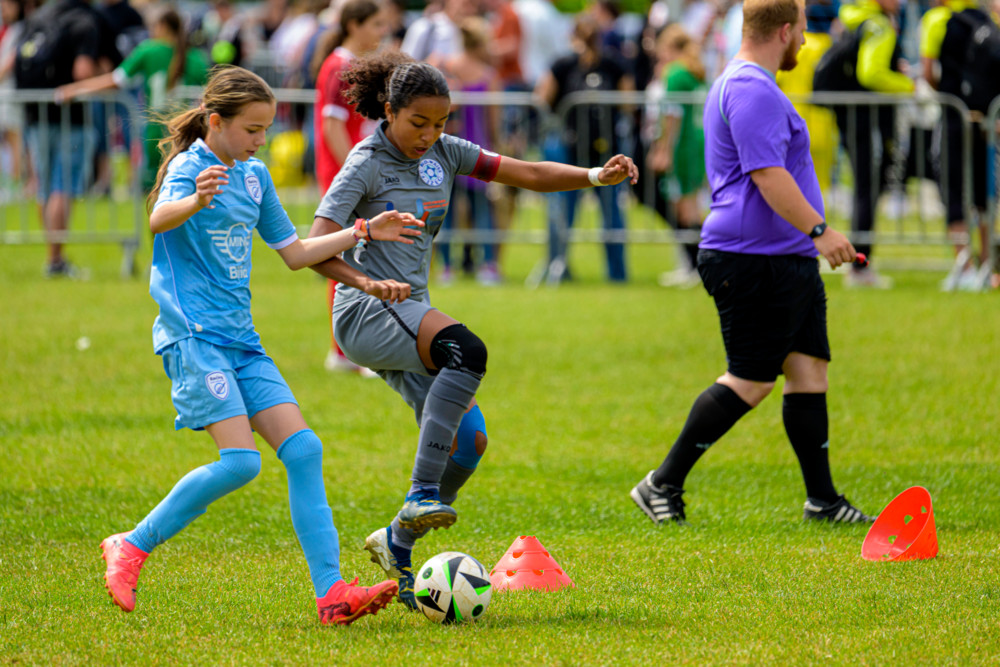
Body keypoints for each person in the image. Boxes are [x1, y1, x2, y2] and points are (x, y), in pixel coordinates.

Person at [306, 51, 637, 609]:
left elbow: (525, 173)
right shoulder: (364, 162)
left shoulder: (444, 153)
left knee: (469, 441)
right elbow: (313, 246)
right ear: (388, 111)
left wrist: (592, 176)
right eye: (419, 123)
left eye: (441, 123)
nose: (430, 134)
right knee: (468, 349)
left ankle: (398, 542)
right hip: (365, 312)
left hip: (411, 311)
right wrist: (364, 278)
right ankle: (419, 495)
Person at [99, 66, 424, 625]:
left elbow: (297, 252)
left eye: (266, 130)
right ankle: (130, 545)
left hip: (242, 341)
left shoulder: (253, 176)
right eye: (251, 129)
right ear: (216, 122)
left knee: (304, 450)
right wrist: (195, 202)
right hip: (194, 337)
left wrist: (364, 232)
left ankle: (332, 596)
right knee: (241, 463)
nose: (260, 140)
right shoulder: (190, 167)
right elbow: (157, 220)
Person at [630, 0, 874, 527]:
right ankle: (661, 483)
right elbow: (767, 175)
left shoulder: (752, 83)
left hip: (783, 258)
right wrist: (821, 230)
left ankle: (823, 501)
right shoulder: (750, 88)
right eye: (804, 32)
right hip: (751, 257)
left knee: (808, 371)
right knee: (753, 379)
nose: (806, 43)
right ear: (784, 30)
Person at [311, 0, 389, 374]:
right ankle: (350, 351)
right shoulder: (339, 67)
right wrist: (356, 175)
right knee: (353, 258)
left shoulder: (347, 65)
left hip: (350, 176)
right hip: (344, 177)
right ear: (354, 25)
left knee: (355, 256)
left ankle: (345, 352)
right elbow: (331, 127)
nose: (381, 32)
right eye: (375, 24)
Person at [56, 7, 211, 193]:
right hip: (189, 132)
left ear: (161, 26)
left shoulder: (148, 50)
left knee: (158, 193)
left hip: (157, 131)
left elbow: (116, 80)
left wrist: (75, 89)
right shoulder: (196, 57)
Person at [535, 14, 634, 283]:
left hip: (607, 153)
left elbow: (627, 101)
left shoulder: (613, 65)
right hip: (571, 152)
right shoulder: (564, 65)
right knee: (564, 213)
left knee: (612, 215)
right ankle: (558, 267)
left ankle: (617, 274)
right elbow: (542, 98)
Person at [16, 0, 101, 278]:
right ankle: (56, 260)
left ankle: (52, 256)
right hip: (70, 116)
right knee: (62, 186)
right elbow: (83, 72)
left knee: (44, 186)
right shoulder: (84, 21)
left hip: (34, 113)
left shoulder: (40, 15)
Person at [834, 0, 913, 288]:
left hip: (852, 120)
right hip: (867, 121)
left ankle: (858, 265)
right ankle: (860, 267)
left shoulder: (853, 18)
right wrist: (908, 86)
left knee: (862, 191)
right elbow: (870, 73)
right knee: (867, 191)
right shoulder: (878, 24)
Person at [919, 0, 994, 291]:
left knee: (952, 188)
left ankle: (964, 267)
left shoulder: (936, 19)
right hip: (983, 116)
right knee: (982, 191)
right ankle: (987, 263)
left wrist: (946, 93)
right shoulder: (984, 17)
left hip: (952, 115)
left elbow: (928, 72)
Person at [439, 16, 503, 285]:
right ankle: (488, 265)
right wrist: (498, 147)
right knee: (482, 212)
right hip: (477, 152)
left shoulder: (447, 69)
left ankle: (447, 268)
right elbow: (493, 121)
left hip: (444, 151)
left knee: (445, 212)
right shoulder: (488, 76)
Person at [646, 24, 707, 288]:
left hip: (682, 147)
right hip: (697, 144)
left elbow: (672, 115)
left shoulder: (676, 73)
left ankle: (695, 265)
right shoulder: (696, 72)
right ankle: (697, 264)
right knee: (692, 208)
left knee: (685, 211)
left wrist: (663, 150)